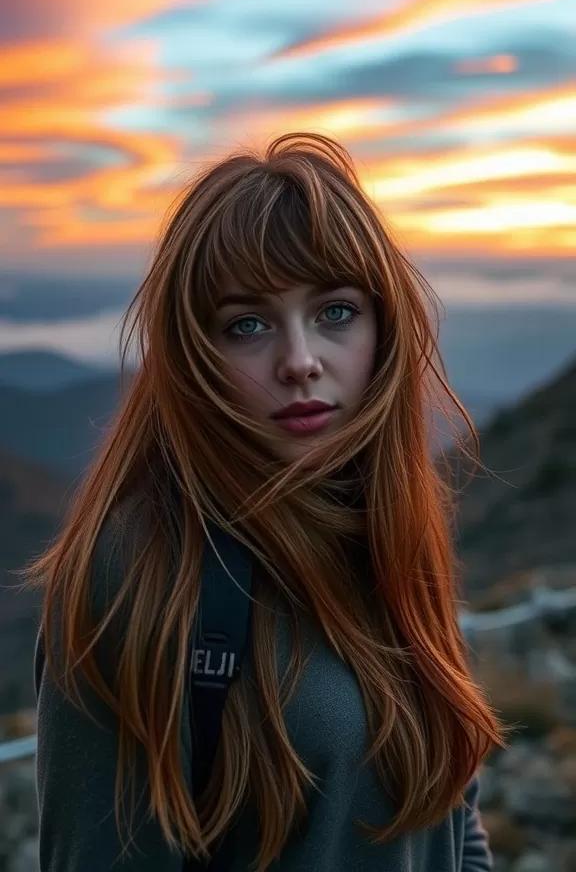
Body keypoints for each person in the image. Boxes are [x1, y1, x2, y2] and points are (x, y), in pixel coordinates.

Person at [23, 133, 504, 871]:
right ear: (193, 356)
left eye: (336, 312)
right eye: (246, 325)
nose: (301, 360)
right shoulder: (138, 572)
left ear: (383, 323)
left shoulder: (389, 520)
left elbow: (450, 810)